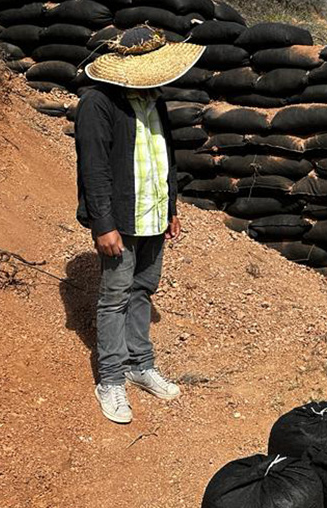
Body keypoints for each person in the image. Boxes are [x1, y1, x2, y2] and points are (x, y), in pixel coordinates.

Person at [75, 26, 204, 424]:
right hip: (121, 218)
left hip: (154, 212)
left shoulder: (154, 100)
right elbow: (93, 167)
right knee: (115, 296)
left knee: (143, 289)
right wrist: (103, 224)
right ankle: (111, 379)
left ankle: (140, 364)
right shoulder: (98, 103)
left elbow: (166, 155)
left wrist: (172, 208)